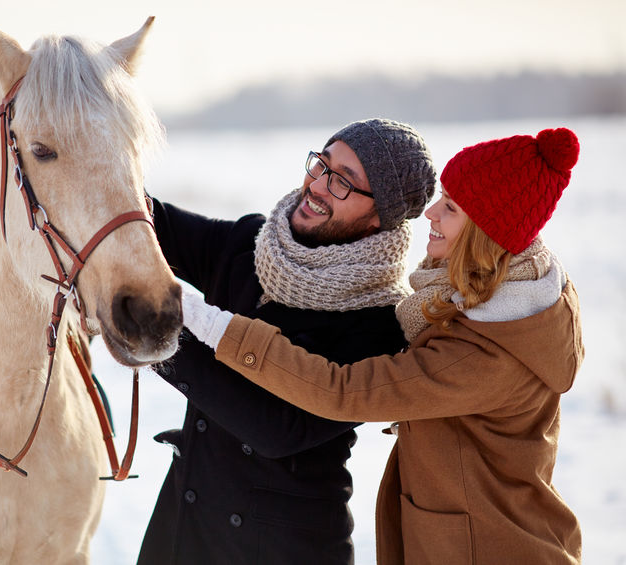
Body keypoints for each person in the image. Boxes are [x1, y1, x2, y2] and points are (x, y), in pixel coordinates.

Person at [181, 127, 583, 564]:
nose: (429, 213)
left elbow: (340, 390)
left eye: (449, 208)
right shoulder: (473, 304)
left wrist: (209, 326)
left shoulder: (481, 355)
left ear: (485, 234)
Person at [137, 119, 436, 565]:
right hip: (180, 533)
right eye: (322, 164)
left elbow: (275, 427)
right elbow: (147, 223)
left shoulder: (380, 322)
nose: (317, 185)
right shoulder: (250, 246)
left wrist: (148, 330)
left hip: (282, 551)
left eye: (343, 183)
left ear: (380, 218)